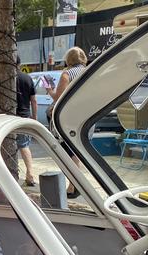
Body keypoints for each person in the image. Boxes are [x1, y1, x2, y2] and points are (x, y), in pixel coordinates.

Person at [45, 46, 87, 198]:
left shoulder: (67, 74)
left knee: (67, 151)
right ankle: (75, 184)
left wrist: (49, 89)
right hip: (85, 116)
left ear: (68, 59)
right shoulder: (88, 71)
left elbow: (58, 97)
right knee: (75, 150)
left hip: (68, 118)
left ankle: (74, 185)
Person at [15, 56, 37, 186]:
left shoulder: (6, 79)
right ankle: (30, 174)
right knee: (24, 146)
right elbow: (33, 100)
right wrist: (34, 118)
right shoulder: (27, 78)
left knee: (5, 147)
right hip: (24, 116)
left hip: (8, 117)